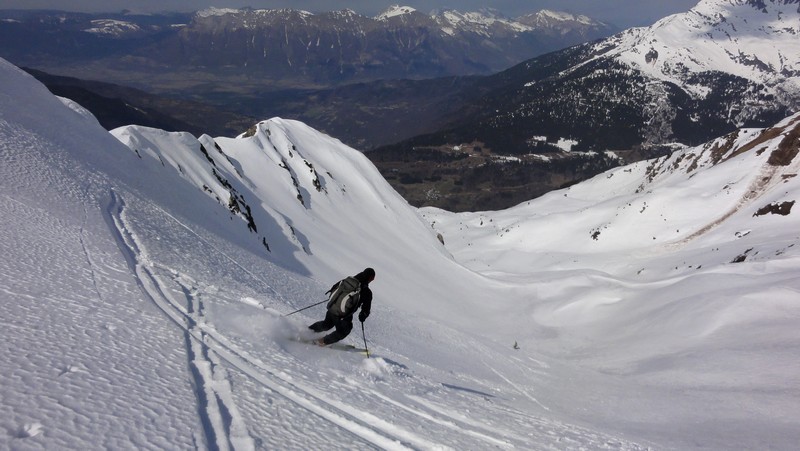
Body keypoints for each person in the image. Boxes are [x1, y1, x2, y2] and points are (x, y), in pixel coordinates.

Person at [308, 268, 374, 345]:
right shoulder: (366, 291)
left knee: (326, 324)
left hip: (333, 307)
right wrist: (363, 316)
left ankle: (306, 331)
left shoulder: (347, 280)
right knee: (344, 330)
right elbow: (366, 309)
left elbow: (334, 288)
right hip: (344, 314)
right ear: (370, 278)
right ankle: (321, 342)